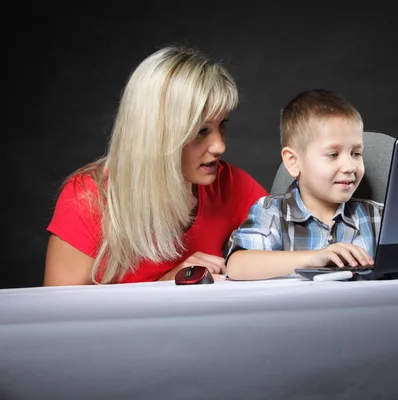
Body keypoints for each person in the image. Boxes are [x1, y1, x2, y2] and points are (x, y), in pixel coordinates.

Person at [44, 45, 268, 285]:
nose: (219, 146)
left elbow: (294, 247)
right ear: (155, 133)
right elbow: (58, 316)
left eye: (221, 124)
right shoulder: (89, 199)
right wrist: (165, 285)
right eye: (201, 131)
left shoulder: (233, 185)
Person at [225, 89, 383, 280]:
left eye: (356, 153)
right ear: (293, 162)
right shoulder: (272, 213)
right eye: (333, 154)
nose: (350, 166)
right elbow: (237, 265)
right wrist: (314, 258)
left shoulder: (378, 217)